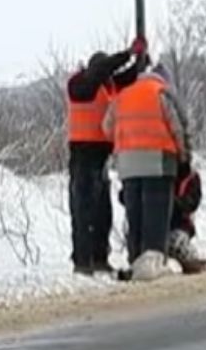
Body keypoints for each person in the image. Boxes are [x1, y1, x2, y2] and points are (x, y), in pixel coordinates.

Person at [104, 58, 191, 282]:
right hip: (158, 162)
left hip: (128, 166)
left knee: (136, 218)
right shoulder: (162, 92)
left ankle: (135, 261)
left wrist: (126, 143)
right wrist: (184, 158)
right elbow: (178, 127)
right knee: (156, 217)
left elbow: (107, 127)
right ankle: (153, 265)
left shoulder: (123, 95)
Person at [63, 41, 146, 276]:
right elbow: (101, 71)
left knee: (102, 214)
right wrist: (127, 54)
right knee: (83, 212)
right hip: (83, 158)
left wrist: (140, 62)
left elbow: (126, 78)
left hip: (100, 159)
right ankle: (83, 261)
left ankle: (100, 258)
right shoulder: (79, 85)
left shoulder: (105, 87)